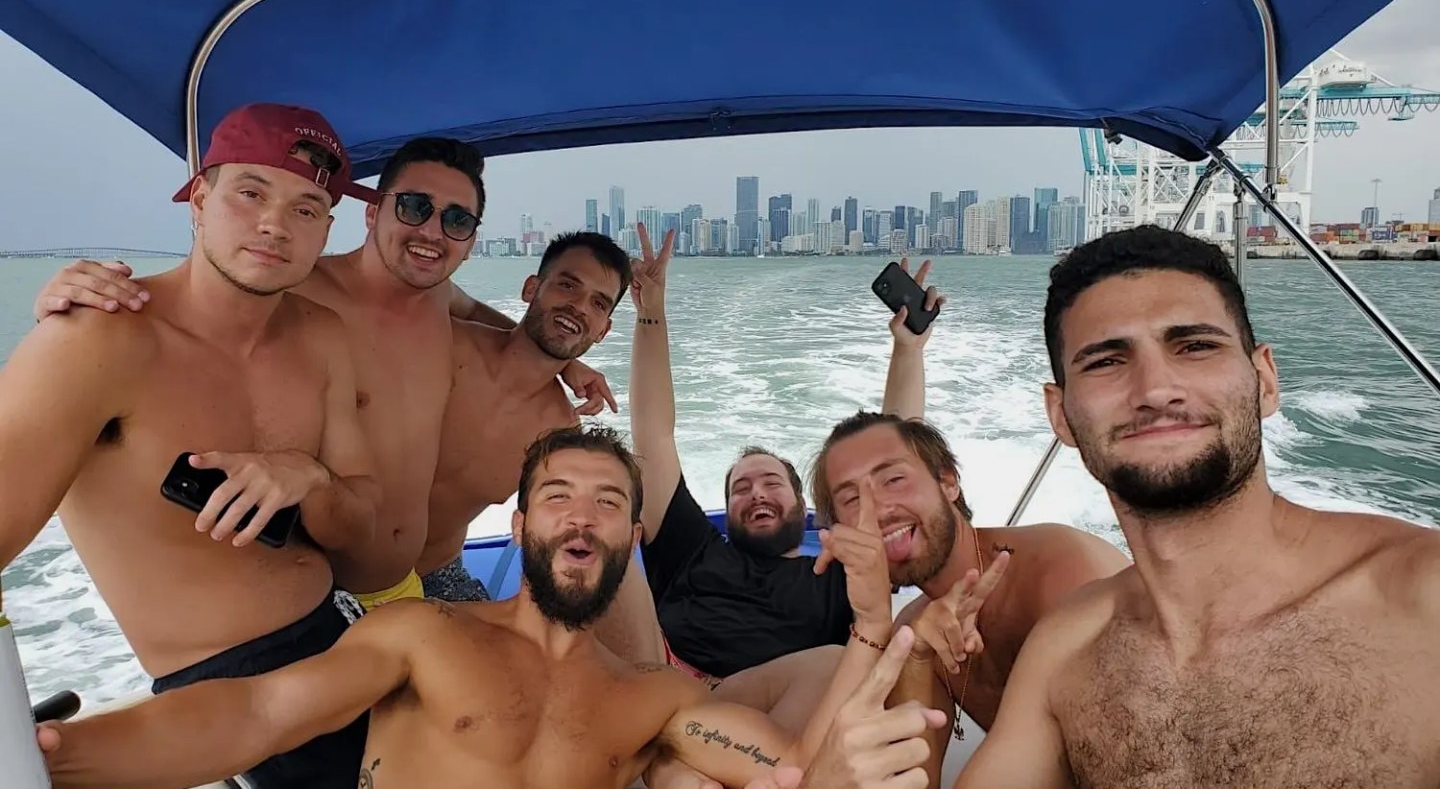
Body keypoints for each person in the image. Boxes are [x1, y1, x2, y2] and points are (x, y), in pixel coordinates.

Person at [36, 425, 947, 789]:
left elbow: (798, 776)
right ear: (519, 524)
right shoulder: (420, 636)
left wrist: (875, 628)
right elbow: (255, 711)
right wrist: (61, 761)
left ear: (631, 537)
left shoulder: (653, 702)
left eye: (605, 504)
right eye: (558, 497)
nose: (580, 517)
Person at [32, 138, 614, 612]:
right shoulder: (298, 291)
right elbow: (202, 300)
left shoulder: (441, 301)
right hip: (321, 584)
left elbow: (493, 319)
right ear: (372, 210)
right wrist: (83, 299)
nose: (432, 230)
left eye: (457, 220)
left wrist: (566, 358)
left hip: (429, 579)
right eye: (414, 207)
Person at [953, 225, 1440, 787]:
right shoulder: (1066, 650)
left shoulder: (1421, 597)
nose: (1156, 389)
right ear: (1060, 415)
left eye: (1196, 347)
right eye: (1107, 361)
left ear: (1264, 380)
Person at [0, 102, 382, 788]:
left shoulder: (323, 337)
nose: (274, 223)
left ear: (326, 230)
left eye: (305, 208)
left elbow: (361, 526)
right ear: (199, 199)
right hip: (224, 692)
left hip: (348, 635)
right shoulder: (96, 340)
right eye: (251, 192)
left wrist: (308, 478)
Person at [624, 223, 943, 689]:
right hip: (679, 697)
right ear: (727, 510)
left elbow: (894, 456)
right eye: (741, 488)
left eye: (772, 483)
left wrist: (907, 349)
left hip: (794, 717)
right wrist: (651, 312)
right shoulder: (690, 551)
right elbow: (652, 436)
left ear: (803, 505)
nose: (757, 494)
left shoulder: (839, 570)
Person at [810, 409, 1128, 783]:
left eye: (893, 480)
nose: (877, 510)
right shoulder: (915, 630)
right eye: (850, 500)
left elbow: (1118, 759)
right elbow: (916, 781)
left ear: (948, 482)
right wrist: (916, 658)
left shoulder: (1059, 570)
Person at [422, 230, 632, 604]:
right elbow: (435, 291)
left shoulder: (559, 434)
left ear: (603, 330)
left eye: (598, 304)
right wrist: (566, 363)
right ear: (531, 287)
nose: (579, 307)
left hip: (438, 575)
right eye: (567, 286)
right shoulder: (444, 342)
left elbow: (559, 533)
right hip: (342, 553)